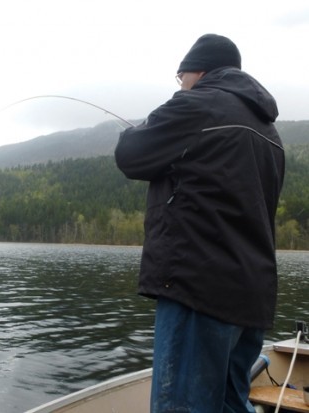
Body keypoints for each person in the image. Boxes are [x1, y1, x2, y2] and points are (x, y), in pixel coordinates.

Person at [114, 34, 285, 412]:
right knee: (230, 403)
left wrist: (132, 130)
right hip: (251, 298)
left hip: (198, 287)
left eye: (181, 77)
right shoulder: (271, 133)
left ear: (198, 71)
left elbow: (131, 155)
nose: (181, 85)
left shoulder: (198, 105)